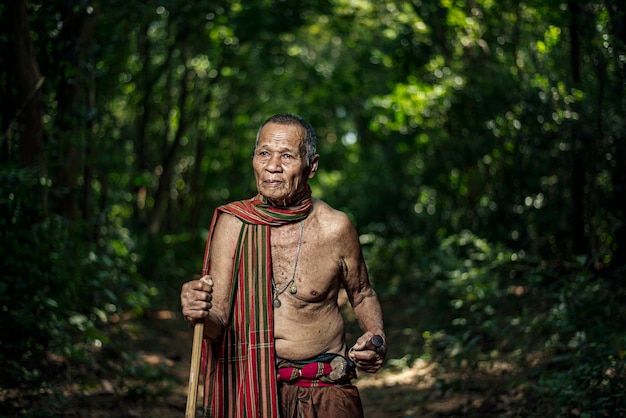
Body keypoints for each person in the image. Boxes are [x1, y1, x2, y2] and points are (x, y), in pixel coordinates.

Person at [180, 113, 386, 417]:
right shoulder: (233, 224)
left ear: (311, 166)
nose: (272, 166)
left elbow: (362, 293)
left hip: (323, 386)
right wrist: (196, 310)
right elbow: (216, 324)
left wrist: (375, 336)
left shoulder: (335, 227)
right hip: (249, 389)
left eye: (287, 156)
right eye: (264, 153)